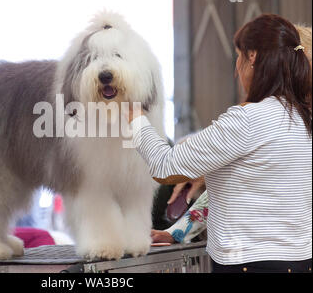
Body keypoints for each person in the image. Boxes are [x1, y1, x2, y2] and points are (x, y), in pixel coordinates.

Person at [128, 14, 312, 273]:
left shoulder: (247, 120)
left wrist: (136, 118)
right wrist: (178, 232)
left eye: (238, 55)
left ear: (252, 58)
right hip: (299, 262)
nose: (236, 68)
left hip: (248, 263)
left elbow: (165, 166)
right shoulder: (300, 119)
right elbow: (243, 191)